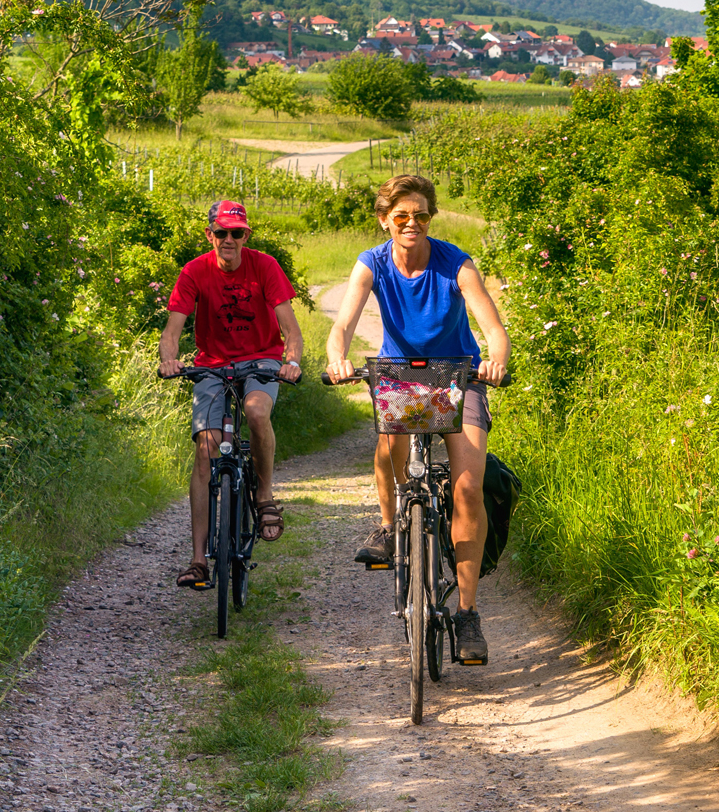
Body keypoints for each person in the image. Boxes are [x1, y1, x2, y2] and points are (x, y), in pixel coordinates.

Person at [325, 175, 510, 663]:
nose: (412, 224)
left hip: (458, 375)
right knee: (389, 451)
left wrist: (496, 358)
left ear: (431, 219)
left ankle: (467, 613)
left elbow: (492, 325)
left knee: (468, 486)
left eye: (421, 216)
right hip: (401, 376)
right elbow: (342, 322)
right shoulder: (373, 262)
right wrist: (338, 357)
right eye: (401, 216)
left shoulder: (455, 262)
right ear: (385, 220)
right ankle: (389, 527)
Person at [159, 200, 304, 591]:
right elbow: (173, 329)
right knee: (206, 447)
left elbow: (290, 328)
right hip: (213, 363)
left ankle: (265, 496)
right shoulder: (194, 272)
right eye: (220, 233)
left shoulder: (265, 266)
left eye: (236, 233)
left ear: (246, 236)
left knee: (257, 412)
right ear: (210, 235)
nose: (228, 240)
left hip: (262, 358)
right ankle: (197, 560)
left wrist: (291, 361)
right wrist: (169, 360)